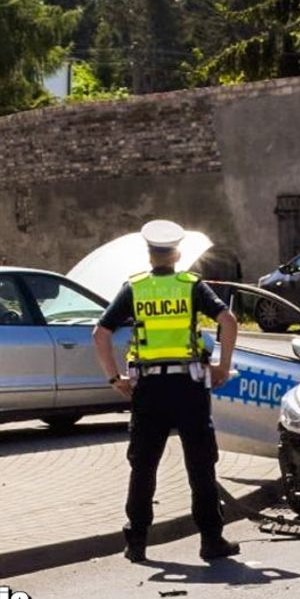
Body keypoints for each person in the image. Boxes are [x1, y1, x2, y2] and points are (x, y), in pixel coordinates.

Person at [92, 220, 241, 563]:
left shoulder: (135, 288)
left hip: (148, 388)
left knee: (143, 465)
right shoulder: (191, 286)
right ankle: (211, 541)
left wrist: (116, 379)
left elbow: (100, 334)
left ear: (149, 254)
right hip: (188, 386)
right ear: (176, 254)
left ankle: (137, 542)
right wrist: (221, 366)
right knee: (200, 464)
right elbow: (228, 321)